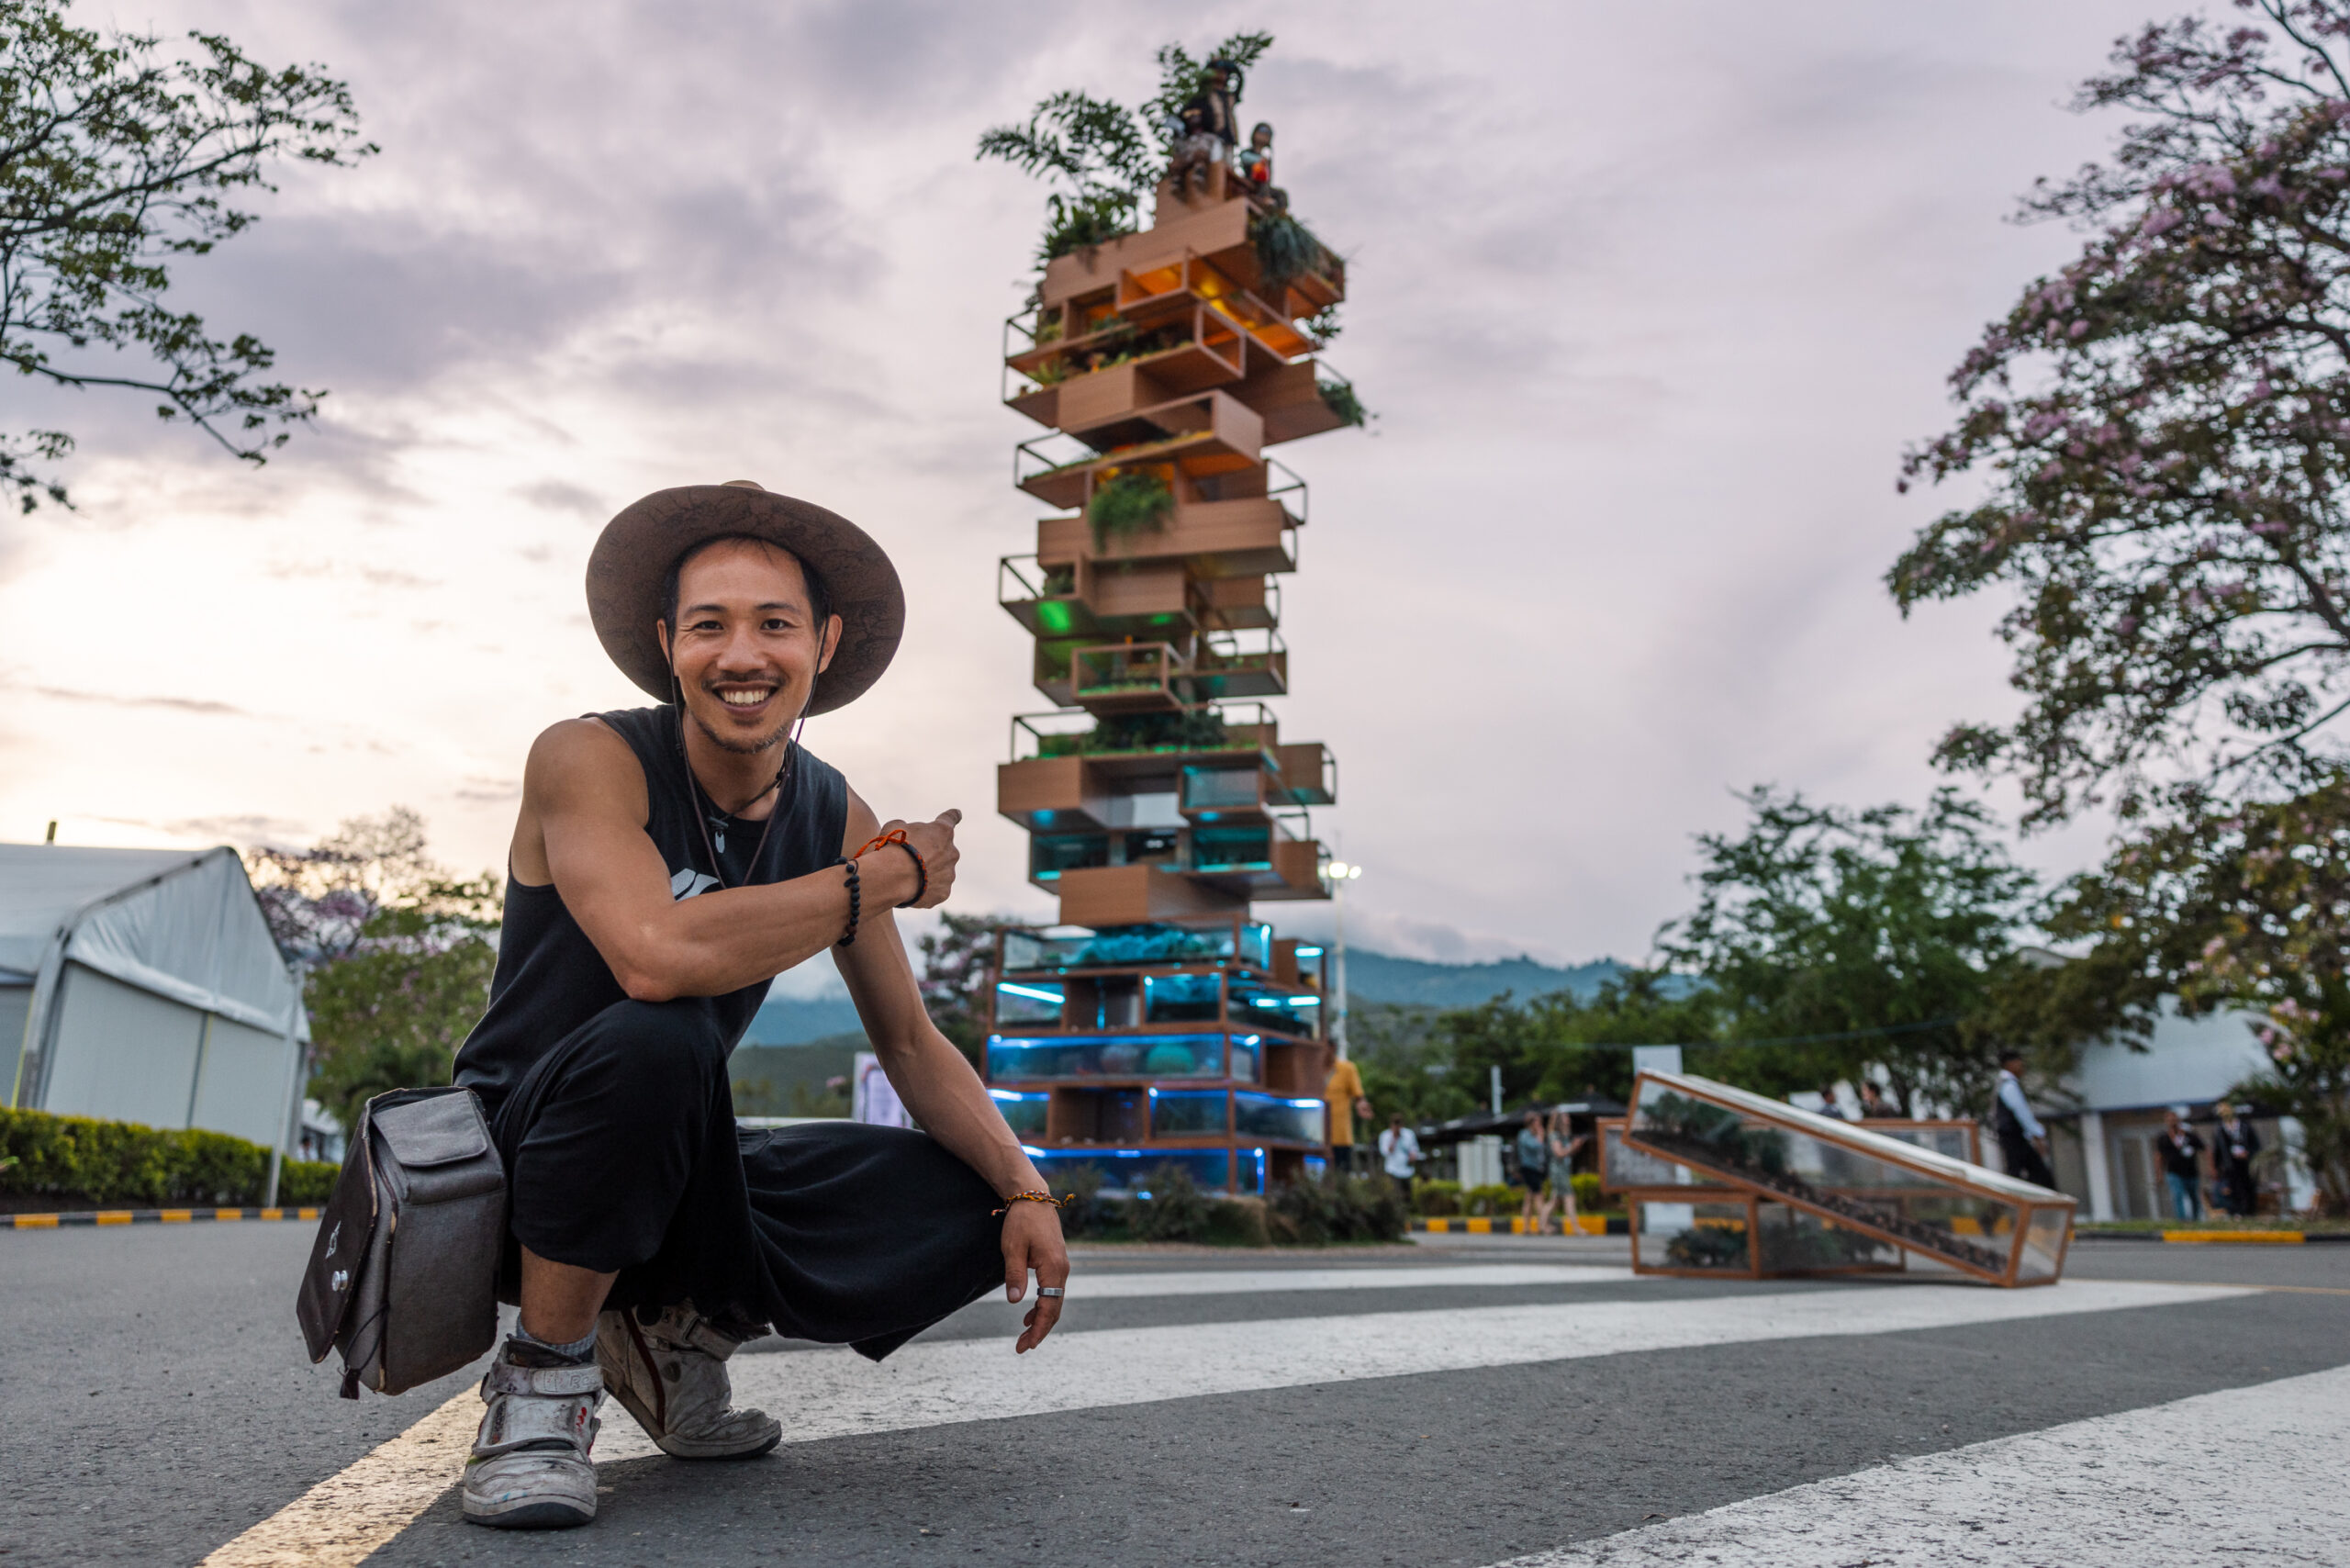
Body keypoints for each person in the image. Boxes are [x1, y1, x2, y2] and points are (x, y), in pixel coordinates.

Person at [447, 481, 1070, 1530]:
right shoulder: (589, 757)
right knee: (662, 1030)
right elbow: (652, 957)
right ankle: (542, 1380)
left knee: (973, 1195)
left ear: (821, 644)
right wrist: (886, 879)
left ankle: (667, 1334)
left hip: (672, 1162)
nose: (743, 654)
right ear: (667, 643)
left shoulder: (835, 814)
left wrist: (1029, 1192)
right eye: (710, 625)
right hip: (517, 1168)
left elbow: (910, 1041)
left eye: (774, 624)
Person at [1168, 57, 1241, 196]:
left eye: (1224, 72)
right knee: (1209, 165)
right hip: (1209, 138)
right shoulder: (1203, 96)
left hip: (1228, 140)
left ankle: (1226, 199)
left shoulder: (1228, 96)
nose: (1221, 74)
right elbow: (1184, 119)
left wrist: (1234, 68)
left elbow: (1240, 84)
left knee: (1227, 172)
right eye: (1217, 71)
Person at [1989, 1050, 2056, 1189]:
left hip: (2012, 1136)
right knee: (2030, 1174)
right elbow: (2021, 1111)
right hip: (2013, 1136)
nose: (2022, 1067)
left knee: (2023, 1173)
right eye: (2020, 1063)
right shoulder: (2008, 1085)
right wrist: (2037, 1134)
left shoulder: (2004, 1083)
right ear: (2010, 1064)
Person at [2212, 1101, 2262, 1217]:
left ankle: (2250, 1213)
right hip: (2230, 1165)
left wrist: (2248, 1153)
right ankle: (2237, 1213)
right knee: (2233, 1189)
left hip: (2246, 1164)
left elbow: (2256, 1145)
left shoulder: (2244, 1126)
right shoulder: (2220, 1130)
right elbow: (2217, 1151)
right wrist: (2216, 1167)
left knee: (2248, 1187)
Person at [1325, 1051, 1371, 1176]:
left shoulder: (1347, 1069)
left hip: (1340, 1137)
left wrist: (1362, 1105)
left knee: (1342, 1175)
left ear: (1331, 1048)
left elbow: (1359, 1096)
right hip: (1318, 1137)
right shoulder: (1314, 1068)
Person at [2159, 1106, 2207, 1222]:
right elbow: (2159, 1156)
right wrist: (2159, 1173)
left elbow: (2205, 1149)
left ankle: (2196, 1219)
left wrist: (2210, 1167)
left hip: (2191, 1171)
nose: (2172, 1122)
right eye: (2169, 1120)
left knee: (2194, 1197)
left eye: (2174, 1119)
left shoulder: (2190, 1136)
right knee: (2178, 1195)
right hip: (2173, 1172)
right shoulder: (2163, 1138)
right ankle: (2182, 1220)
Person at [1548, 1113, 1591, 1233]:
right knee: (1570, 1197)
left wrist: (1576, 1147)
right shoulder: (1555, 1136)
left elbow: (1567, 1153)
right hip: (1558, 1171)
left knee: (1555, 1201)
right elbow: (1559, 1153)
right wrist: (1572, 1146)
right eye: (1565, 1118)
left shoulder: (1564, 1135)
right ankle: (1576, 1228)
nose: (1568, 1120)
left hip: (1563, 1171)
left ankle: (1542, 1224)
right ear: (1559, 1121)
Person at [1514, 1110, 1551, 1231]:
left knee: (1529, 1198)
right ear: (1531, 1123)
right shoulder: (1524, 1134)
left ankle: (1526, 1226)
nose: (1540, 1125)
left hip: (1536, 1168)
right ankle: (1543, 1225)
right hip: (1529, 1168)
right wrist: (1541, 1135)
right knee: (1538, 1196)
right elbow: (1536, 1146)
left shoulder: (1533, 1135)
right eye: (1538, 1122)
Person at [1378, 1113, 1423, 1193]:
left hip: (1407, 1171)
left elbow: (1415, 1148)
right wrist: (1394, 1138)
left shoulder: (1409, 1134)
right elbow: (1385, 1152)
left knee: (1408, 1195)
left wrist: (1413, 1155)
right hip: (1392, 1170)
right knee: (1395, 1194)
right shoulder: (1385, 1135)